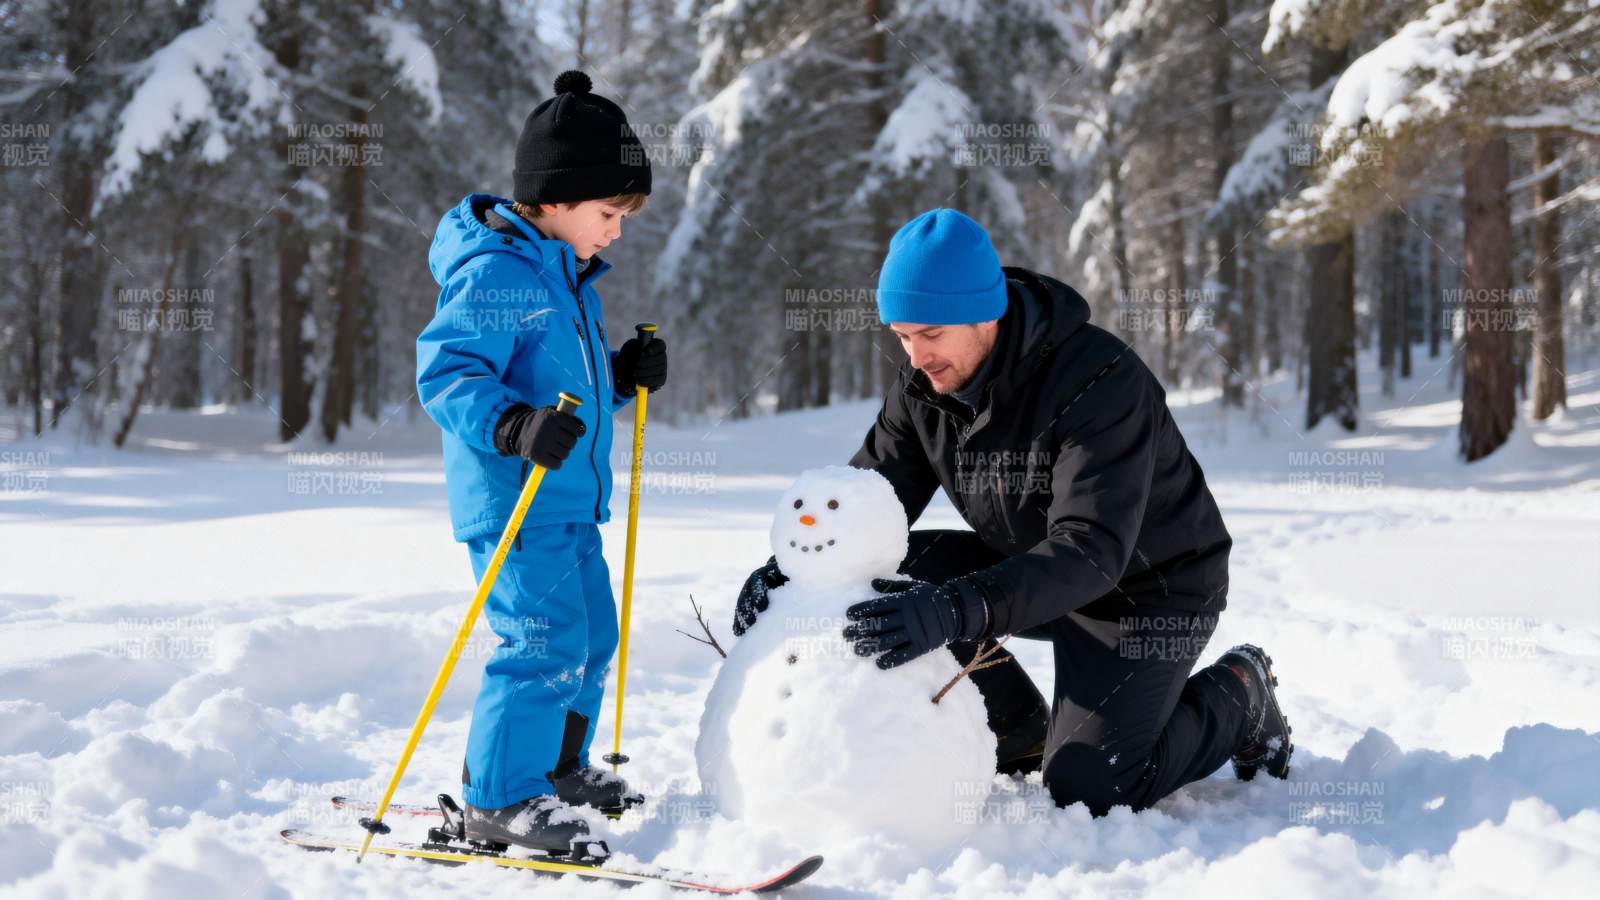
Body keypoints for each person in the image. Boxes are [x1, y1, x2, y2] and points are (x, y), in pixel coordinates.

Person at [733, 208, 1292, 816]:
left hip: (1147, 593)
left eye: (930, 334)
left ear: (984, 313)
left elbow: (1090, 549)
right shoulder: (926, 386)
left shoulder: (1099, 381)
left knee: (1092, 788)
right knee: (877, 578)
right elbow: (868, 503)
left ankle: (1241, 693)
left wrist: (953, 610)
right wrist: (794, 571)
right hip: (1028, 568)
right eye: (902, 336)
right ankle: (1018, 728)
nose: (916, 356)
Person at [415, 70, 667, 851]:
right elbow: (447, 372)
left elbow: (568, 392)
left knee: (591, 636)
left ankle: (559, 767)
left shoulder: (570, 280)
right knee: (539, 641)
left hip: (566, 502)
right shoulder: (495, 272)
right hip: (515, 504)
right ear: (555, 201)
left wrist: (620, 378)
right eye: (609, 212)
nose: (617, 230)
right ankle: (499, 797)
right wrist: (512, 425)